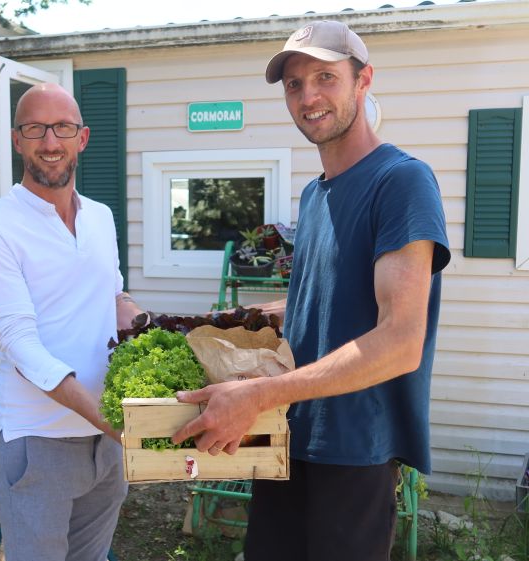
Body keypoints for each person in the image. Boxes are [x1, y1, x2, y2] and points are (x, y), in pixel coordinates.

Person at [172, 20, 451, 561]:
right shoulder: (315, 194)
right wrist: (245, 318)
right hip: (289, 434)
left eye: (325, 77)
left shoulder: (401, 182)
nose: (308, 96)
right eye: (294, 84)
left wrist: (255, 395)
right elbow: (324, 303)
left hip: (353, 449)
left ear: (363, 80)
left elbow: (400, 340)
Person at [0, 82, 143, 561]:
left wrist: (150, 327)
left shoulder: (101, 218)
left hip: (104, 445)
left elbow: (112, 293)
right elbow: (19, 345)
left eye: (62, 128)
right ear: (16, 139)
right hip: (37, 443)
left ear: (81, 139)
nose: (50, 142)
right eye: (35, 129)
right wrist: (109, 420)